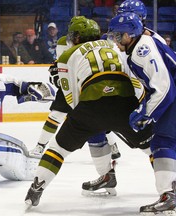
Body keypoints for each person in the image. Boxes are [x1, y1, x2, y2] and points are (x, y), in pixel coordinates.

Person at [24, 16, 153, 209]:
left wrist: (85, 122)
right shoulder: (115, 46)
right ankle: (171, 185)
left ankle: (36, 188)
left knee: (57, 149)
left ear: (77, 37)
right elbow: (134, 78)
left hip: (91, 106)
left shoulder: (68, 54)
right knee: (155, 147)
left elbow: (72, 98)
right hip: (127, 104)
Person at [108, 12, 176, 215]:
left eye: (119, 35)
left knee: (162, 142)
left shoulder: (142, 50)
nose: (116, 40)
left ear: (130, 34)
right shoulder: (144, 42)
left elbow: (163, 87)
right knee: (166, 142)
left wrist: (147, 112)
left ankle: (168, 196)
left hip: (173, 98)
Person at [29, 16, 122, 161]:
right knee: (57, 114)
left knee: (99, 116)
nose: (71, 37)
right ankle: (40, 146)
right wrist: (57, 71)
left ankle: (113, 145)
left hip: (92, 83)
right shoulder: (66, 43)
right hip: (73, 80)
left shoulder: (101, 43)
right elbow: (62, 65)